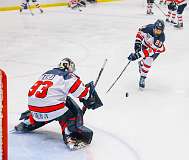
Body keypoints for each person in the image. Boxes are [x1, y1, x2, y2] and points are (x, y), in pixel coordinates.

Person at [14, 58, 103, 150]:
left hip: (33, 108)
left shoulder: (47, 73)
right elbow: (81, 91)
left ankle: (28, 122)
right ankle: (71, 134)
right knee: (69, 113)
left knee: (49, 104)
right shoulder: (68, 75)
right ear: (70, 67)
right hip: (51, 108)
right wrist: (89, 97)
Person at [128, 19, 166, 89]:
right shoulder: (148, 28)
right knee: (145, 60)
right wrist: (137, 44)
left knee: (149, 61)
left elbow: (150, 51)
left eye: (159, 31)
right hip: (145, 45)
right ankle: (141, 63)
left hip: (155, 50)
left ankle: (142, 77)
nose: (157, 32)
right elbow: (140, 33)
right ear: (154, 27)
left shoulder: (160, 39)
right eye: (156, 30)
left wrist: (137, 56)